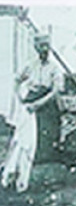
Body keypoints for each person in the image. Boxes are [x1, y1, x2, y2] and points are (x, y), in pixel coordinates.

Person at [2, 29, 63, 194]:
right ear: (36, 47)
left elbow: (55, 91)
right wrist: (20, 97)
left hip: (46, 103)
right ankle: (16, 170)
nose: (44, 49)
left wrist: (38, 104)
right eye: (41, 45)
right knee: (24, 137)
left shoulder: (55, 68)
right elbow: (17, 79)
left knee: (47, 133)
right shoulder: (31, 65)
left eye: (46, 46)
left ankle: (43, 165)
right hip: (31, 101)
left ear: (49, 48)